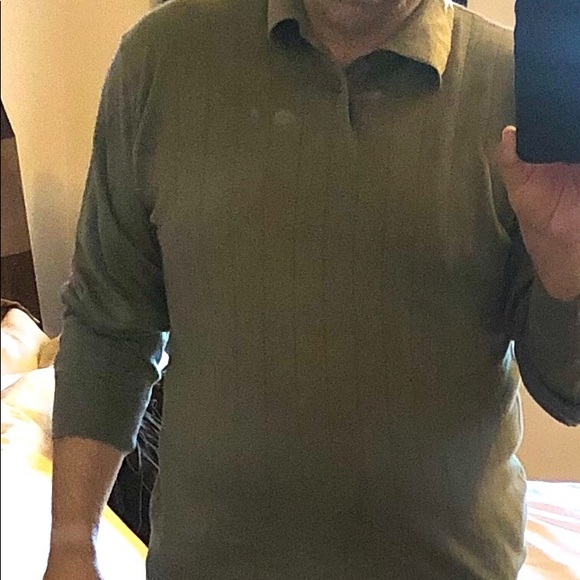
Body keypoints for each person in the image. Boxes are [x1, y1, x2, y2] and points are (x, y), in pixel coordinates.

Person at [44, 0, 579, 578]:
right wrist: (73, 547)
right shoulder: (159, 62)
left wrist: (569, 272)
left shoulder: (516, 90)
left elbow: (567, 392)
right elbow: (108, 326)